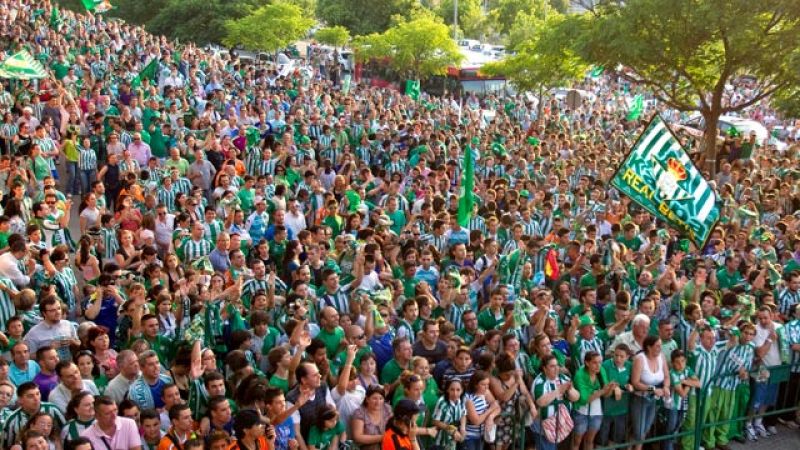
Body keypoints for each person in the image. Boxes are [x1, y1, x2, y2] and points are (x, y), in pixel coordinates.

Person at [630, 335, 671, 450]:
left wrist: (666, 387)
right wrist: (653, 389)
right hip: (640, 398)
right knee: (639, 431)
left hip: (654, 399)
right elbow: (635, 382)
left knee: (646, 428)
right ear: (649, 347)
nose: (660, 348)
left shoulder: (661, 357)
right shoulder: (640, 358)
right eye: (657, 346)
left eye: (660, 346)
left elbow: (667, 376)